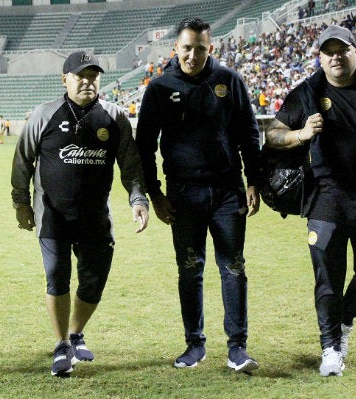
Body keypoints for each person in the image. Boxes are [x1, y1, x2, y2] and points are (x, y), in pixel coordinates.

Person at [264, 25, 356, 377]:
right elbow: (272, 134)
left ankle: (344, 319)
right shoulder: (306, 92)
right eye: (328, 51)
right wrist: (300, 133)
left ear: (355, 51)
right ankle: (331, 347)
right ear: (320, 57)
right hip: (325, 202)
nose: (335, 56)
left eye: (342, 49)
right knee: (328, 280)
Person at [11, 50, 149, 377]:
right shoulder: (44, 115)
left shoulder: (114, 117)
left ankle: (75, 335)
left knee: (93, 283)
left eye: (93, 76)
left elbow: (130, 166)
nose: (87, 81)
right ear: (65, 79)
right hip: (52, 216)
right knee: (57, 276)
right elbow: (22, 161)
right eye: (79, 76)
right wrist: (21, 202)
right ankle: (61, 345)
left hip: (96, 219)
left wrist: (138, 199)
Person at [136, 17, 262, 372]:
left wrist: (253, 180)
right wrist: (156, 194)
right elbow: (144, 146)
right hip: (183, 195)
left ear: (211, 48)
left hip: (227, 193)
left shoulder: (230, 81)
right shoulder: (160, 88)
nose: (193, 55)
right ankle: (195, 344)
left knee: (233, 268)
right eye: (187, 48)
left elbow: (249, 135)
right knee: (190, 270)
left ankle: (238, 348)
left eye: (200, 48)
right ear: (176, 48)